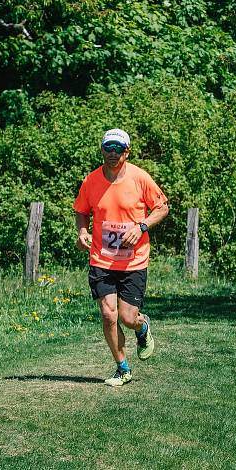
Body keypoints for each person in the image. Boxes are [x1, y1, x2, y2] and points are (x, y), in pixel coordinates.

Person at [74, 128, 169, 386]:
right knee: (108, 314)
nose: (113, 154)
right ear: (102, 150)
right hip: (102, 259)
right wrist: (83, 231)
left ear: (126, 151)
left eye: (118, 149)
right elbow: (81, 211)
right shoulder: (91, 181)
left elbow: (162, 207)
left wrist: (141, 227)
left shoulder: (140, 178)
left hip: (133, 261)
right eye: (108, 148)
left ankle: (142, 328)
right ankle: (122, 369)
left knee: (128, 317)